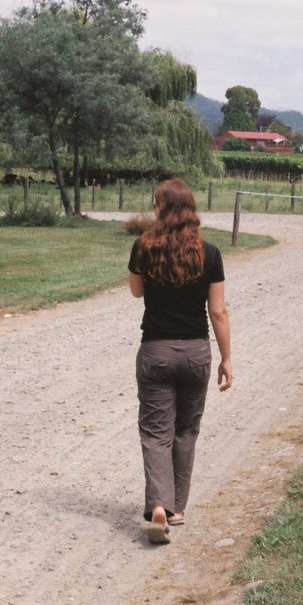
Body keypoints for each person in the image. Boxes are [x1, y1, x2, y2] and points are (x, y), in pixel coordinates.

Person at [128, 178, 232, 544]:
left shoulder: (143, 247)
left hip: (155, 350)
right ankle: (176, 508)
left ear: (160, 209)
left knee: (156, 433)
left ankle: (158, 506)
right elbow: (217, 312)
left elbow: (136, 291)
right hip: (196, 353)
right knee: (185, 431)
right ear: (191, 210)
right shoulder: (211, 253)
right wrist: (226, 358)